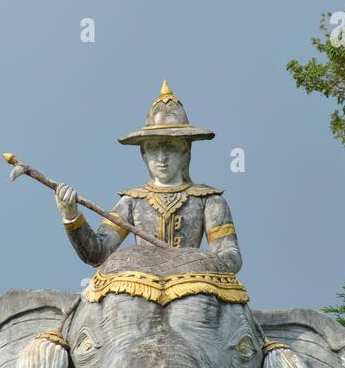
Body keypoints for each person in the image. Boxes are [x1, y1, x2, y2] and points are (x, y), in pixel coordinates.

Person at [55, 80, 241, 271]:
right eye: (152, 149)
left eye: (170, 147)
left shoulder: (209, 200)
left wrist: (188, 262)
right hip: (140, 285)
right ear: (143, 154)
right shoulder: (132, 201)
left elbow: (230, 258)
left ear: (186, 151)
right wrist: (71, 216)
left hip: (192, 284)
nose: (161, 158)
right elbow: (97, 253)